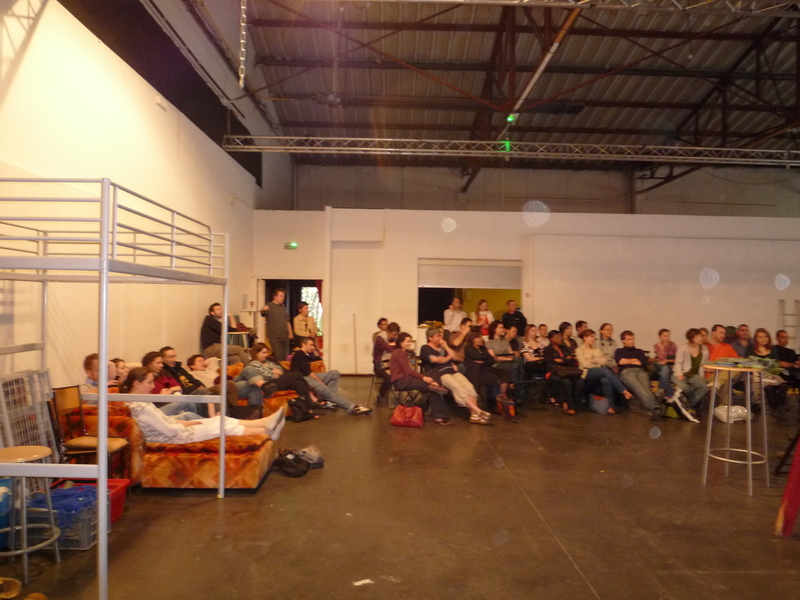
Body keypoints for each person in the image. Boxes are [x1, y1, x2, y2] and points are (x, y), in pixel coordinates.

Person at [122, 367, 285, 445]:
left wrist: (185, 422)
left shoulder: (141, 402)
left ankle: (265, 423)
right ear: (136, 383)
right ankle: (266, 430)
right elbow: (169, 430)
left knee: (221, 420)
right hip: (175, 437)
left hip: (176, 432)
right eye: (149, 382)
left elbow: (164, 420)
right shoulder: (140, 407)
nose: (153, 386)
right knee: (221, 426)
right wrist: (184, 425)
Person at [420, 327, 491, 424]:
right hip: (439, 373)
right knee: (457, 387)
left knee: (469, 386)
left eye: (441, 336)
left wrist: (446, 348)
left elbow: (455, 357)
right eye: (438, 336)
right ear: (430, 338)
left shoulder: (443, 347)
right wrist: (447, 358)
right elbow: (436, 360)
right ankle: (477, 410)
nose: (440, 338)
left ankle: (474, 416)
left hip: (452, 370)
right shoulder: (425, 348)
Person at [160, 346, 261, 414]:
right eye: (170, 357)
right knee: (231, 382)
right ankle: (234, 412)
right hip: (207, 389)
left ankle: (256, 411)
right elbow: (181, 386)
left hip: (216, 386)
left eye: (174, 356)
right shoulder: (191, 371)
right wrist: (198, 387)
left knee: (251, 384)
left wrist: (204, 365)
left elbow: (213, 360)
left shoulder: (208, 368)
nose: (174, 359)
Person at [291, 338, 372, 415]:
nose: (313, 347)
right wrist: (320, 382)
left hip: (307, 376)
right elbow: (308, 372)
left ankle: (329, 401)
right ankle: (352, 408)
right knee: (323, 388)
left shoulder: (306, 355)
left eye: (313, 345)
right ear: (303, 344)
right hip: (301, 379)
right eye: (311, 345)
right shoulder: (299, 354)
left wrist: (315, 351)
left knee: (334, 373)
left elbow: (319, 361)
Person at [389, 332, 452, 426]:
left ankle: (436, 386)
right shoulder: (399, 352)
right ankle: (438, 417)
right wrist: (424, 378)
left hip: (407, 379)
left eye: (410, 341)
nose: (410, 343)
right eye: (408, 341)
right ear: (401, 342)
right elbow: (408, 371)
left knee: (434, 372)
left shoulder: (402, 352)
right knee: (433, 388)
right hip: (402, 381)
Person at [575, 329, 632, 414]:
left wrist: (592, 360)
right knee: (604, 370)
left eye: (594, 337)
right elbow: (584, 364)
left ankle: (610, 406)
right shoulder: (579, 350)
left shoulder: (596, 349)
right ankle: (623, 390)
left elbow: (604, 361)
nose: (593, 339)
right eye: (591, 337)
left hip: (599, 371)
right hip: (587, 372)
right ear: (585, 338)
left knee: (606, 380)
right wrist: (597, 360)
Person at [237, 342, 311, 405]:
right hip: (270, 385)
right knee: (297, 374)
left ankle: (309, 407)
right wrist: (272, 372)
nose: (266, 355)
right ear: (256, 353)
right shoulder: (253, 364)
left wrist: (273, 373)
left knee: (299, 383)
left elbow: (281, 370)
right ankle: (313, 401)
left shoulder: (268, 362)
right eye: (263, 353)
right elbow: (262, 376)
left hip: (279, 381)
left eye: (266, 353)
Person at [141, 351, 208, 419]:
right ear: (149, 364)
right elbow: (158, 397)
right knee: (188, 402)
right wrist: (166, 393)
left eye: (161, 363)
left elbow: (178, 387)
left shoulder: (163, 373)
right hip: (158, 408)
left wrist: (170, 390)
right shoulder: (146, 378)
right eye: (158, 363)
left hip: (171, 402)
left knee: (189, 410)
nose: (161, 365)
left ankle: (207, 421)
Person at [615, 331, 662, 420]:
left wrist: (628, 361)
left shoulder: (639, 351)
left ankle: (654, 410)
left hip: (640, 371)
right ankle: (655, 408)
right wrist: (634, 360)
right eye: (629, 339)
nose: (632, 341)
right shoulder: (619, 351)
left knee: (646, 389)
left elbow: (642, 363)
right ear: (623, 341)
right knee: (639, 388)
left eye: (632, 339)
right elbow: (620, 362)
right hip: (627, 372)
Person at [744, 328, 788, 420]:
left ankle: (779, 408)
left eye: (765, 336)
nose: (763, 339)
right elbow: (746, 362)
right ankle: (774, 409)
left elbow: (776, 363)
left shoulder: (772, 349)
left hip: (770, 373)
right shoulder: (750, 349)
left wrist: (771, 368)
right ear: (756, 338)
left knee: (783, 385)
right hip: (756, 374)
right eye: (760, 337)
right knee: (768, 387)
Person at [669, 328, 708, 422]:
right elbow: (678, 363)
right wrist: (679, 374)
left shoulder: (704, 349)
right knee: (686, 387)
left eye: (700, 336)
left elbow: (704, 364)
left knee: (704, 387)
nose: (700, 338)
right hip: (681, 373)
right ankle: (689, 406)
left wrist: (707, 370)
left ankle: (688, 405)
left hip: (693, 374)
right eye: (697, 337)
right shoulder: (683, 348)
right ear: (691, 338)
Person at [543, 330, 584, 415]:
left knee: (580, 381)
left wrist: (562, 360)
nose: (559, 338)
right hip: (553, 372)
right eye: (557, 337)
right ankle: (570, 406)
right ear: (551, 339)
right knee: (566, 381)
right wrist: (565, 360)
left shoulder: (564, 348)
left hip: (567, 371)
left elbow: (571, 360)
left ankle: (569, 401)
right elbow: (550, 362)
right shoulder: (548, 349)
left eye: (560, 336)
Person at [463, 331, 507, 406]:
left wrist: (483, 361)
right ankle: (494, 402)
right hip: (477, 371)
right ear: (473, 339)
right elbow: (476, 356)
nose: (481, 339)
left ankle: (502, 395)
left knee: (505, 372)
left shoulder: (483, 348)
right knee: (493, 378)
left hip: (487, 368)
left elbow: (492, 359)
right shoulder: (468, 348)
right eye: (479, 337)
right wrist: (486, 358)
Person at [706, 324, 740, 405]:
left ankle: (717, 383)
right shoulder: (704, 346)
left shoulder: (727, 347)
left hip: (724, 372)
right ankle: (725, 407)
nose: (723, 335)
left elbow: (736, 361)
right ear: (713, 333)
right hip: (710, 374)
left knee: (736, 369)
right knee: (726, 382)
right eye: (720, 333)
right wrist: (706, 368)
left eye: (724, 333)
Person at [261, 289, 293, 361]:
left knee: (284, 357)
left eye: (283, 296)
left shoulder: (283, 307)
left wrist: (290, 333)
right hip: (274, 337)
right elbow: (262, 313)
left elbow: (287, 321)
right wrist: (263, 309)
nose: (283, 298)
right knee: (278, 356)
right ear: (275, 297)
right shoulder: (269, 306)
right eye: (281, 296)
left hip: (284, 336)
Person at [372, 322, 400, 403]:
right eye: (394, 334)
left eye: (397, 335)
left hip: (391, 364)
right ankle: (380, 395)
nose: (396, 337)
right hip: (379, 365)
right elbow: (389, 349)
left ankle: (398, 396)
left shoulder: (394, 338)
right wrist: (396, 345)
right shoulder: (380, 338)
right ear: (388, 331)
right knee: (389, 378)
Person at [653, 328, 677, 398]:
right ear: (660, 337)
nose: (666, 338)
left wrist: (666, 360)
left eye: (667, 336)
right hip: (660, 365)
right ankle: (667, 394)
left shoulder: (672, 345)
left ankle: (662, 390)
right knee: (662, 368)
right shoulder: (656, 345)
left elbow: (676, 358)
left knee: (665, 370)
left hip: (670, 365)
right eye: (664, 336)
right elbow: (660, 357)